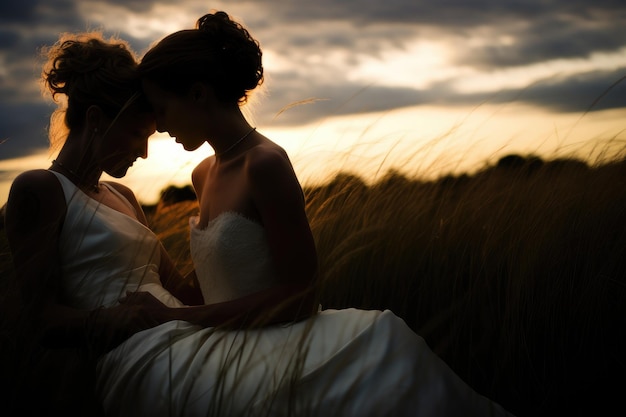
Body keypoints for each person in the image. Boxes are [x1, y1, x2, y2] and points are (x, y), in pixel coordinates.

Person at [112, 10, 513, 417]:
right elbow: (216, 286)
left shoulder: (264, 164)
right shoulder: (202, 175)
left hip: (287, 347)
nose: (159, 126)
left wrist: (176, 317)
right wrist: (156, 289)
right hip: (227, 346)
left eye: (161, 108)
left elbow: (300, 296)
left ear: (198, 93)